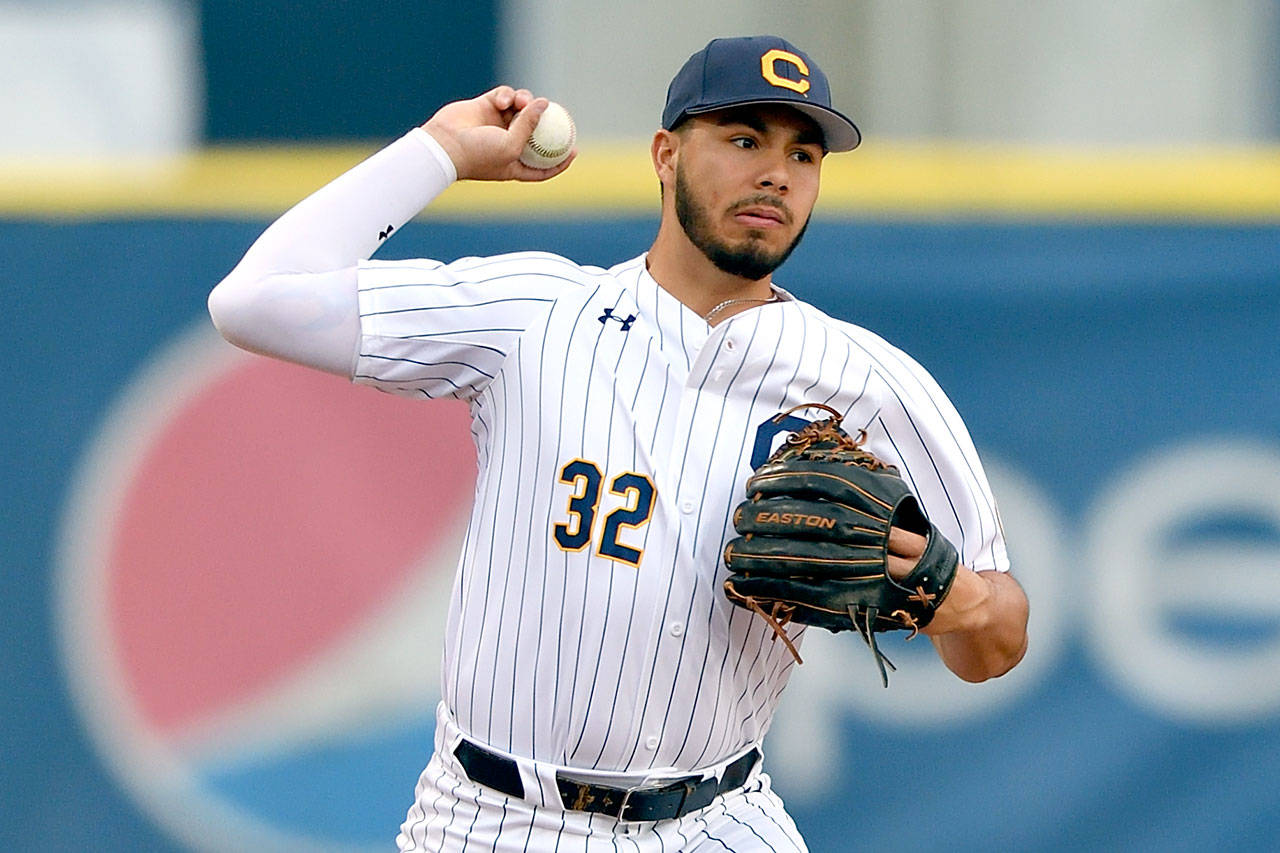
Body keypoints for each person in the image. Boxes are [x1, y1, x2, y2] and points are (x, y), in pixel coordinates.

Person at [209, 34, 1029, 852]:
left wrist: (957, 599)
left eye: (802, 155)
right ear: (666, 155)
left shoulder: (869, 382)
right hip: (496, 817)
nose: (777, 173)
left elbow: (996, 639)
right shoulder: (536, 314)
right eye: (745, 140)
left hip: (720, 819)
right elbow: (253, 301)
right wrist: (440, 152)